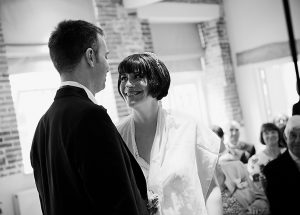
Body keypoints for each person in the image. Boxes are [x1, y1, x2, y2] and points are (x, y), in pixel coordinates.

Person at [30, 20, 149, 215]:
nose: (109, 67)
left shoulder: (42, 126)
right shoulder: (91, 117)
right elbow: (116, 201)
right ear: (91, 56)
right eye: (106, 56)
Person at [117, 53, 222, 215]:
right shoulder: (117, 136)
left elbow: (211, 188)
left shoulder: (188, 127)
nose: (128, 84)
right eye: (123, 78)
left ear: (156, 80)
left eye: (136, 77)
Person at [263, 115, 300, 215]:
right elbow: (278, 209)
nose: (298, 140)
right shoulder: (272, 170)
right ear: (285, 137)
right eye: (293, 135)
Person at [247, 123, 283, 192]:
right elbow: (258, 186)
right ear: (262, 137)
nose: (270, 135)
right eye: (266, 133)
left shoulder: (288, 152)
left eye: (273, 132)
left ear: (278, 134)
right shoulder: (255, 160)